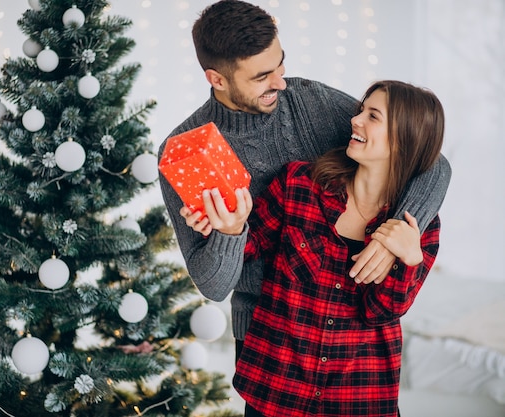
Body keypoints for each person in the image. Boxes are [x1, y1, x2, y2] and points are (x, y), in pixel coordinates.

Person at [157, 1, 451, 414]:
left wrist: (394, 237)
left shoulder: (310, 101)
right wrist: (227, 232)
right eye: (262, 76)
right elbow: (215, 285)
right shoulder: (185, 152)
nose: (281, 82)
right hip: (271, 341)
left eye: (280, 64)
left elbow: (427, 157)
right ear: (217, 79)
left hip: (355, 360)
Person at [206, 80, 445, 416]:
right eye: (361, 110)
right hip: (276, 392)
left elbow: (379, 312)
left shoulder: (421, 227)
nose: (355, 120)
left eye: (372, 116)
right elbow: (244, 252)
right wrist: (226, 225)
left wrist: (408, 260)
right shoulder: (298, 184)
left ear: (404, 140)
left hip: (359, 396)